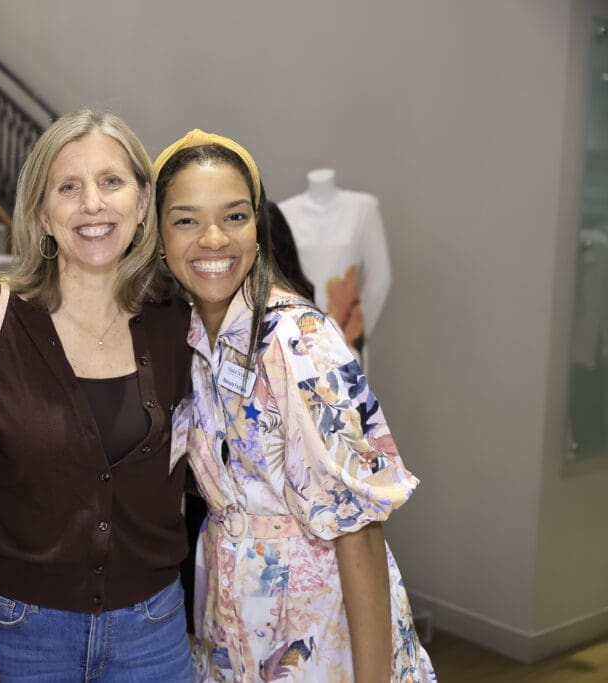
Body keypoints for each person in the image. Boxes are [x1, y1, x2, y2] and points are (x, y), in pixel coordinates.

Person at [154, 129, 436, 682]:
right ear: (159, 236)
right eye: (187, 219)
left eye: (235, 216)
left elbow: (358, 528)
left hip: (319, 630)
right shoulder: (186, 337)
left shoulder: (299, 339)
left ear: (259, 230)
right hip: (230, 619)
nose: (214, 238)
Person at [0, 109, 194, 681]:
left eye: (111, 182)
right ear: (42, 214)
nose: (93, 204)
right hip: (19, 634)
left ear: (143, 204)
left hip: (153, 633)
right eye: (69, 187)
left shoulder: (178, 325)